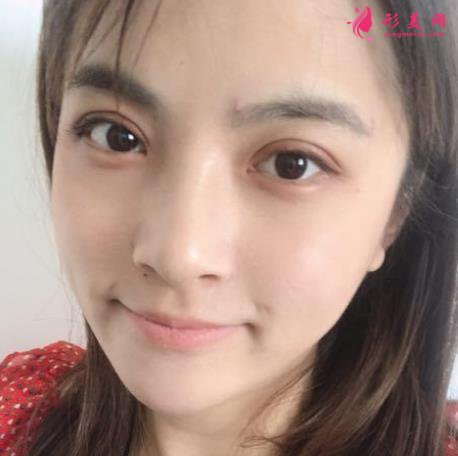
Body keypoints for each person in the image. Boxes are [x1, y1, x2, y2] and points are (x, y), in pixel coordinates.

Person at [0, 0, 457, 454]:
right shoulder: (17, 410)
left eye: (292, 164)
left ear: (397, 210)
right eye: (117, 137)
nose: (178, 256)